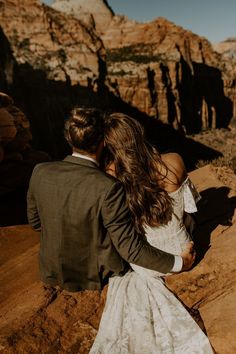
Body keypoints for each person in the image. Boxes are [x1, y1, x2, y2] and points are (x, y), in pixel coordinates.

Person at [27, 108, 195, 292]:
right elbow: (129, 248)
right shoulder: (107, 186)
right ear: (103, 142)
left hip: (51, 271)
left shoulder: (39, 171)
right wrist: (181, 263)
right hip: (94, 276)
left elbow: (36, 222)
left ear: (69, 137)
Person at [90, 113, 214, 354]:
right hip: (183, 251)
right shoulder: (172, 162)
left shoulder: (109, 178)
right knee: (186, 220)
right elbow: (191, 207)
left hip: (144, 263)